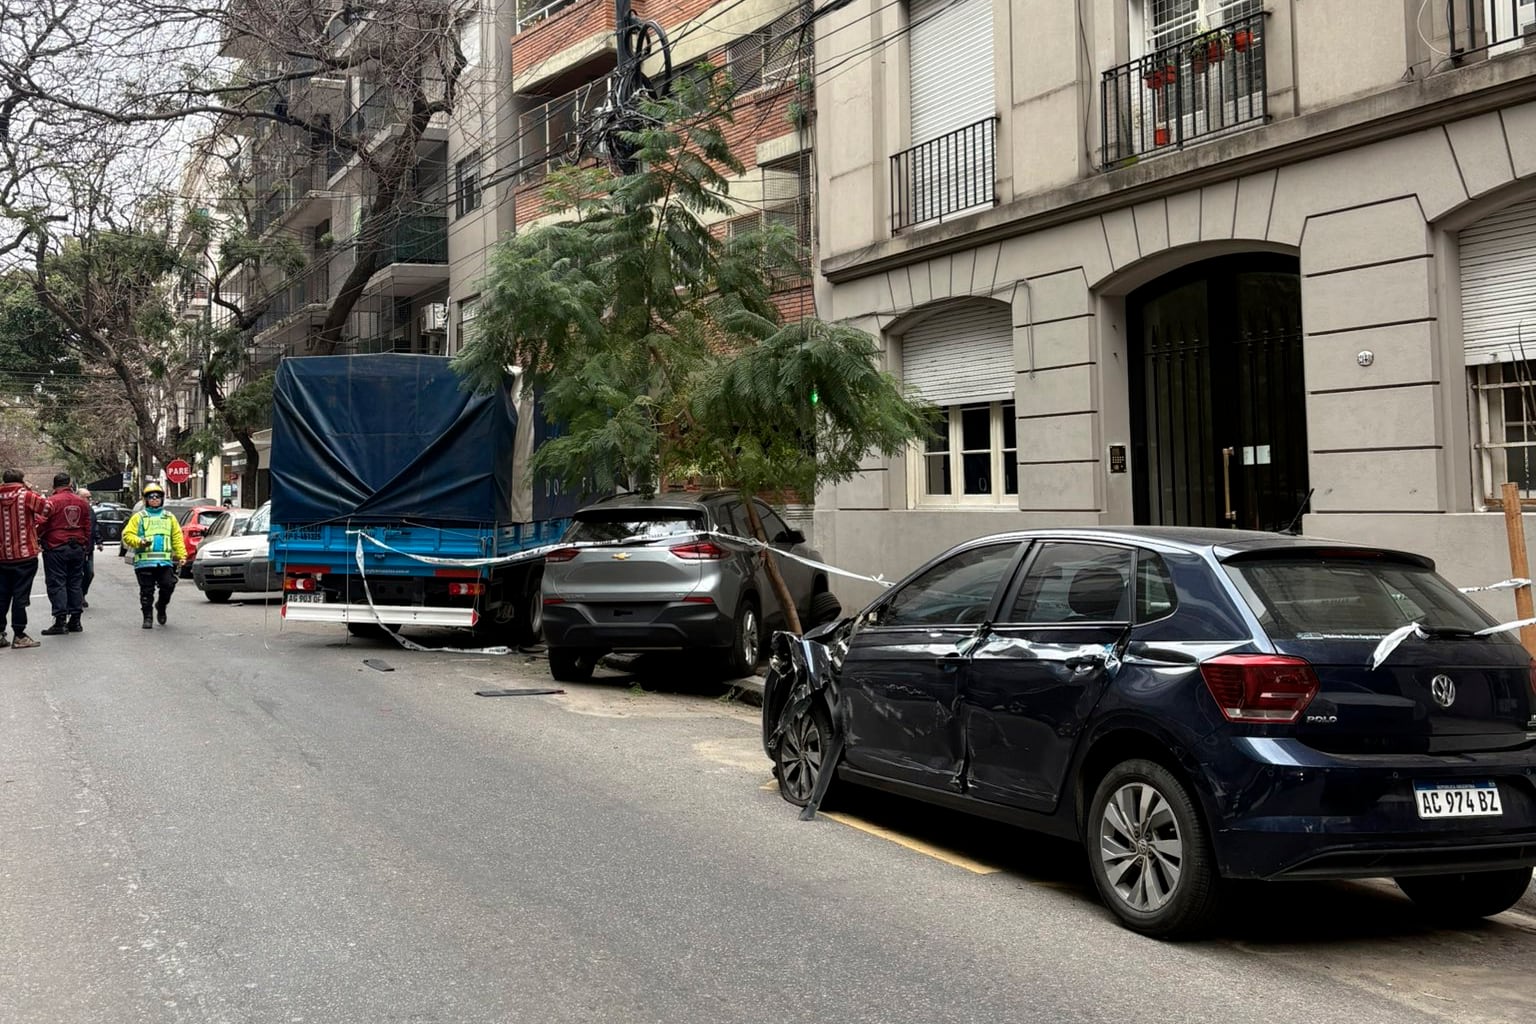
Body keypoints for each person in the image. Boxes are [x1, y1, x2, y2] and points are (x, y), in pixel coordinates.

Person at [121, 482, 186, 629]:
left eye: (158, 496)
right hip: (144, 563)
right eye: (151, 497)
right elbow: (127, 535)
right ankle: (147, 617)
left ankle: (161, 606)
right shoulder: (139, 517)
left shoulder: (169, 517)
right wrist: (139, 541)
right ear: (146, 500)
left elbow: (177, 537)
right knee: (146, 591)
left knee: (168, 585)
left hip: (164, 563)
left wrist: (182, 555)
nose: (155, 499)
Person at [0, 469, 52, 650]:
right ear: (21, 481)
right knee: (20, 597)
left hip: (2, 557)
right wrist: (31, 490)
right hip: (24, 556)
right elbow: (48, 508)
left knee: (2, 596)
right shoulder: (26, 496)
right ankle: (19, 634)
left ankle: (0, 634)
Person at [38, 473, 93, 636]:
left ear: (54, 486)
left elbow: (42, 523)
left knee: (57, 582)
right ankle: (75, 620)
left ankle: (60, 621)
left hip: (56, 546)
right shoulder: (82, 503)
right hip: (77, 547)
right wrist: (86, 546)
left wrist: (38, 538)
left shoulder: (51, 502)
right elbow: (87, 526)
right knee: (75, 582)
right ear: (70, 484)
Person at [76, 487, 100, 608]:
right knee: (76, 574)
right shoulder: (75, 510)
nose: (89, 499)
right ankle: (78, 597)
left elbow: (94, 526)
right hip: (77, 548)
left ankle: (82, 593)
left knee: (89, 573)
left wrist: (99, 541)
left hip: (89, 548)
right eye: (87, 497)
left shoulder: (90, 510)